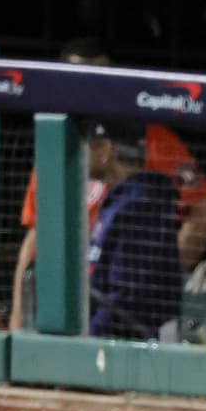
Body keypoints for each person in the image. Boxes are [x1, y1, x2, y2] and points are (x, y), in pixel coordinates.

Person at [9, 38, 206, 332]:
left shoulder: (151, 139)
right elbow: (36, 237)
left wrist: (160, 272)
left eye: (100, 77)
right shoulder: (56, 143)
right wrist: (17, 324)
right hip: (67, 296)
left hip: (123, 296)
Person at [83, 121, 183, 340]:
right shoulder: (123, 200)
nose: (83, 153)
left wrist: (91, 338)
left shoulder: (139, 205)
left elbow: (126, 298)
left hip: (135, 351)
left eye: (88, 145)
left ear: (107, 149)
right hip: (119, 344)